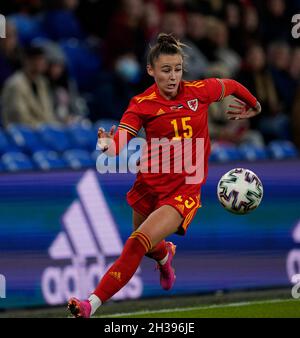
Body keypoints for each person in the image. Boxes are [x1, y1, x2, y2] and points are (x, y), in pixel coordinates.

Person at [67, 33, 261, 318]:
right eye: (166, 70)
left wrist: (254, 105)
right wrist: (109, 146)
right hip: (149, 184)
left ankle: (90, 305)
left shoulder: (200, 91)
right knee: (148, 246)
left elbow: (230, 85)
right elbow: (121, 138)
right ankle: (164, 255)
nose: (173, 76)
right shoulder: (142, 104)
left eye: (178, 69)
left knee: (136, 241)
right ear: (151, 71)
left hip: (183, 190)